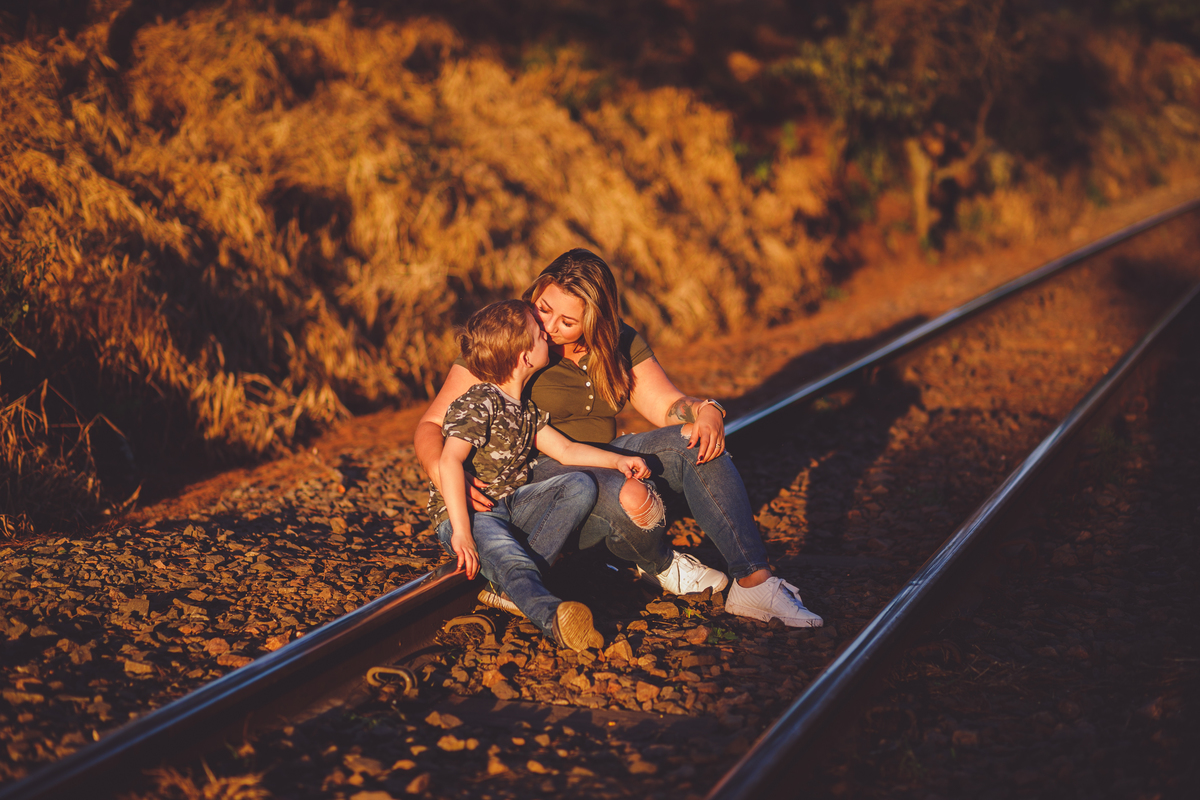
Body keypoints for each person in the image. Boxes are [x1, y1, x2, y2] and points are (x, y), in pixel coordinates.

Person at [417, 249, 822, 628]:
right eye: (544, 308)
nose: (548, 326)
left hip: (598, 456)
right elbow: (431, 426)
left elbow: (668, 405)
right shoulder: (512, 339)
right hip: (544, 477)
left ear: (594, 320)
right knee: (630, 496)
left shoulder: (617, 343)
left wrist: (707, 410)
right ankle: (658, 563)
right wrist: (445, 474)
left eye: (567, 321)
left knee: (695, 442)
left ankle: (755, 583)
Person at [430, 298, 654, 651]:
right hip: (471, 512)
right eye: (539, 335)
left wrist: (616, 462)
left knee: (579, 484)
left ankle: (508, 589)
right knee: (509, 555)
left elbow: (565, 451)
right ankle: (554, 618)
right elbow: (448, 462)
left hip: (511, 504)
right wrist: (461, 532)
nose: (548, 336)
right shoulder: (480, 401)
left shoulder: (525, 411)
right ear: (525, 357)